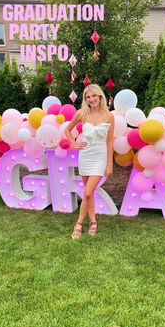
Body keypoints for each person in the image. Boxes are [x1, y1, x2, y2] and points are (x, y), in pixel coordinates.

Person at [65, 84, 114, 240]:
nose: (91, 99)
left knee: (86, 192)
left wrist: (109, 164)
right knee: (89, 193)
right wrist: (74, 143)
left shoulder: (109, 116)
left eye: (94, 96)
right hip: (85, 155)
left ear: (100, 96)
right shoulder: (81, 113)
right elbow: (67, 130)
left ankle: (79, 223)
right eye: (88, 97)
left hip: (100, 156)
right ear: (85, 99)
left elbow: (110, 142)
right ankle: (93, 221)